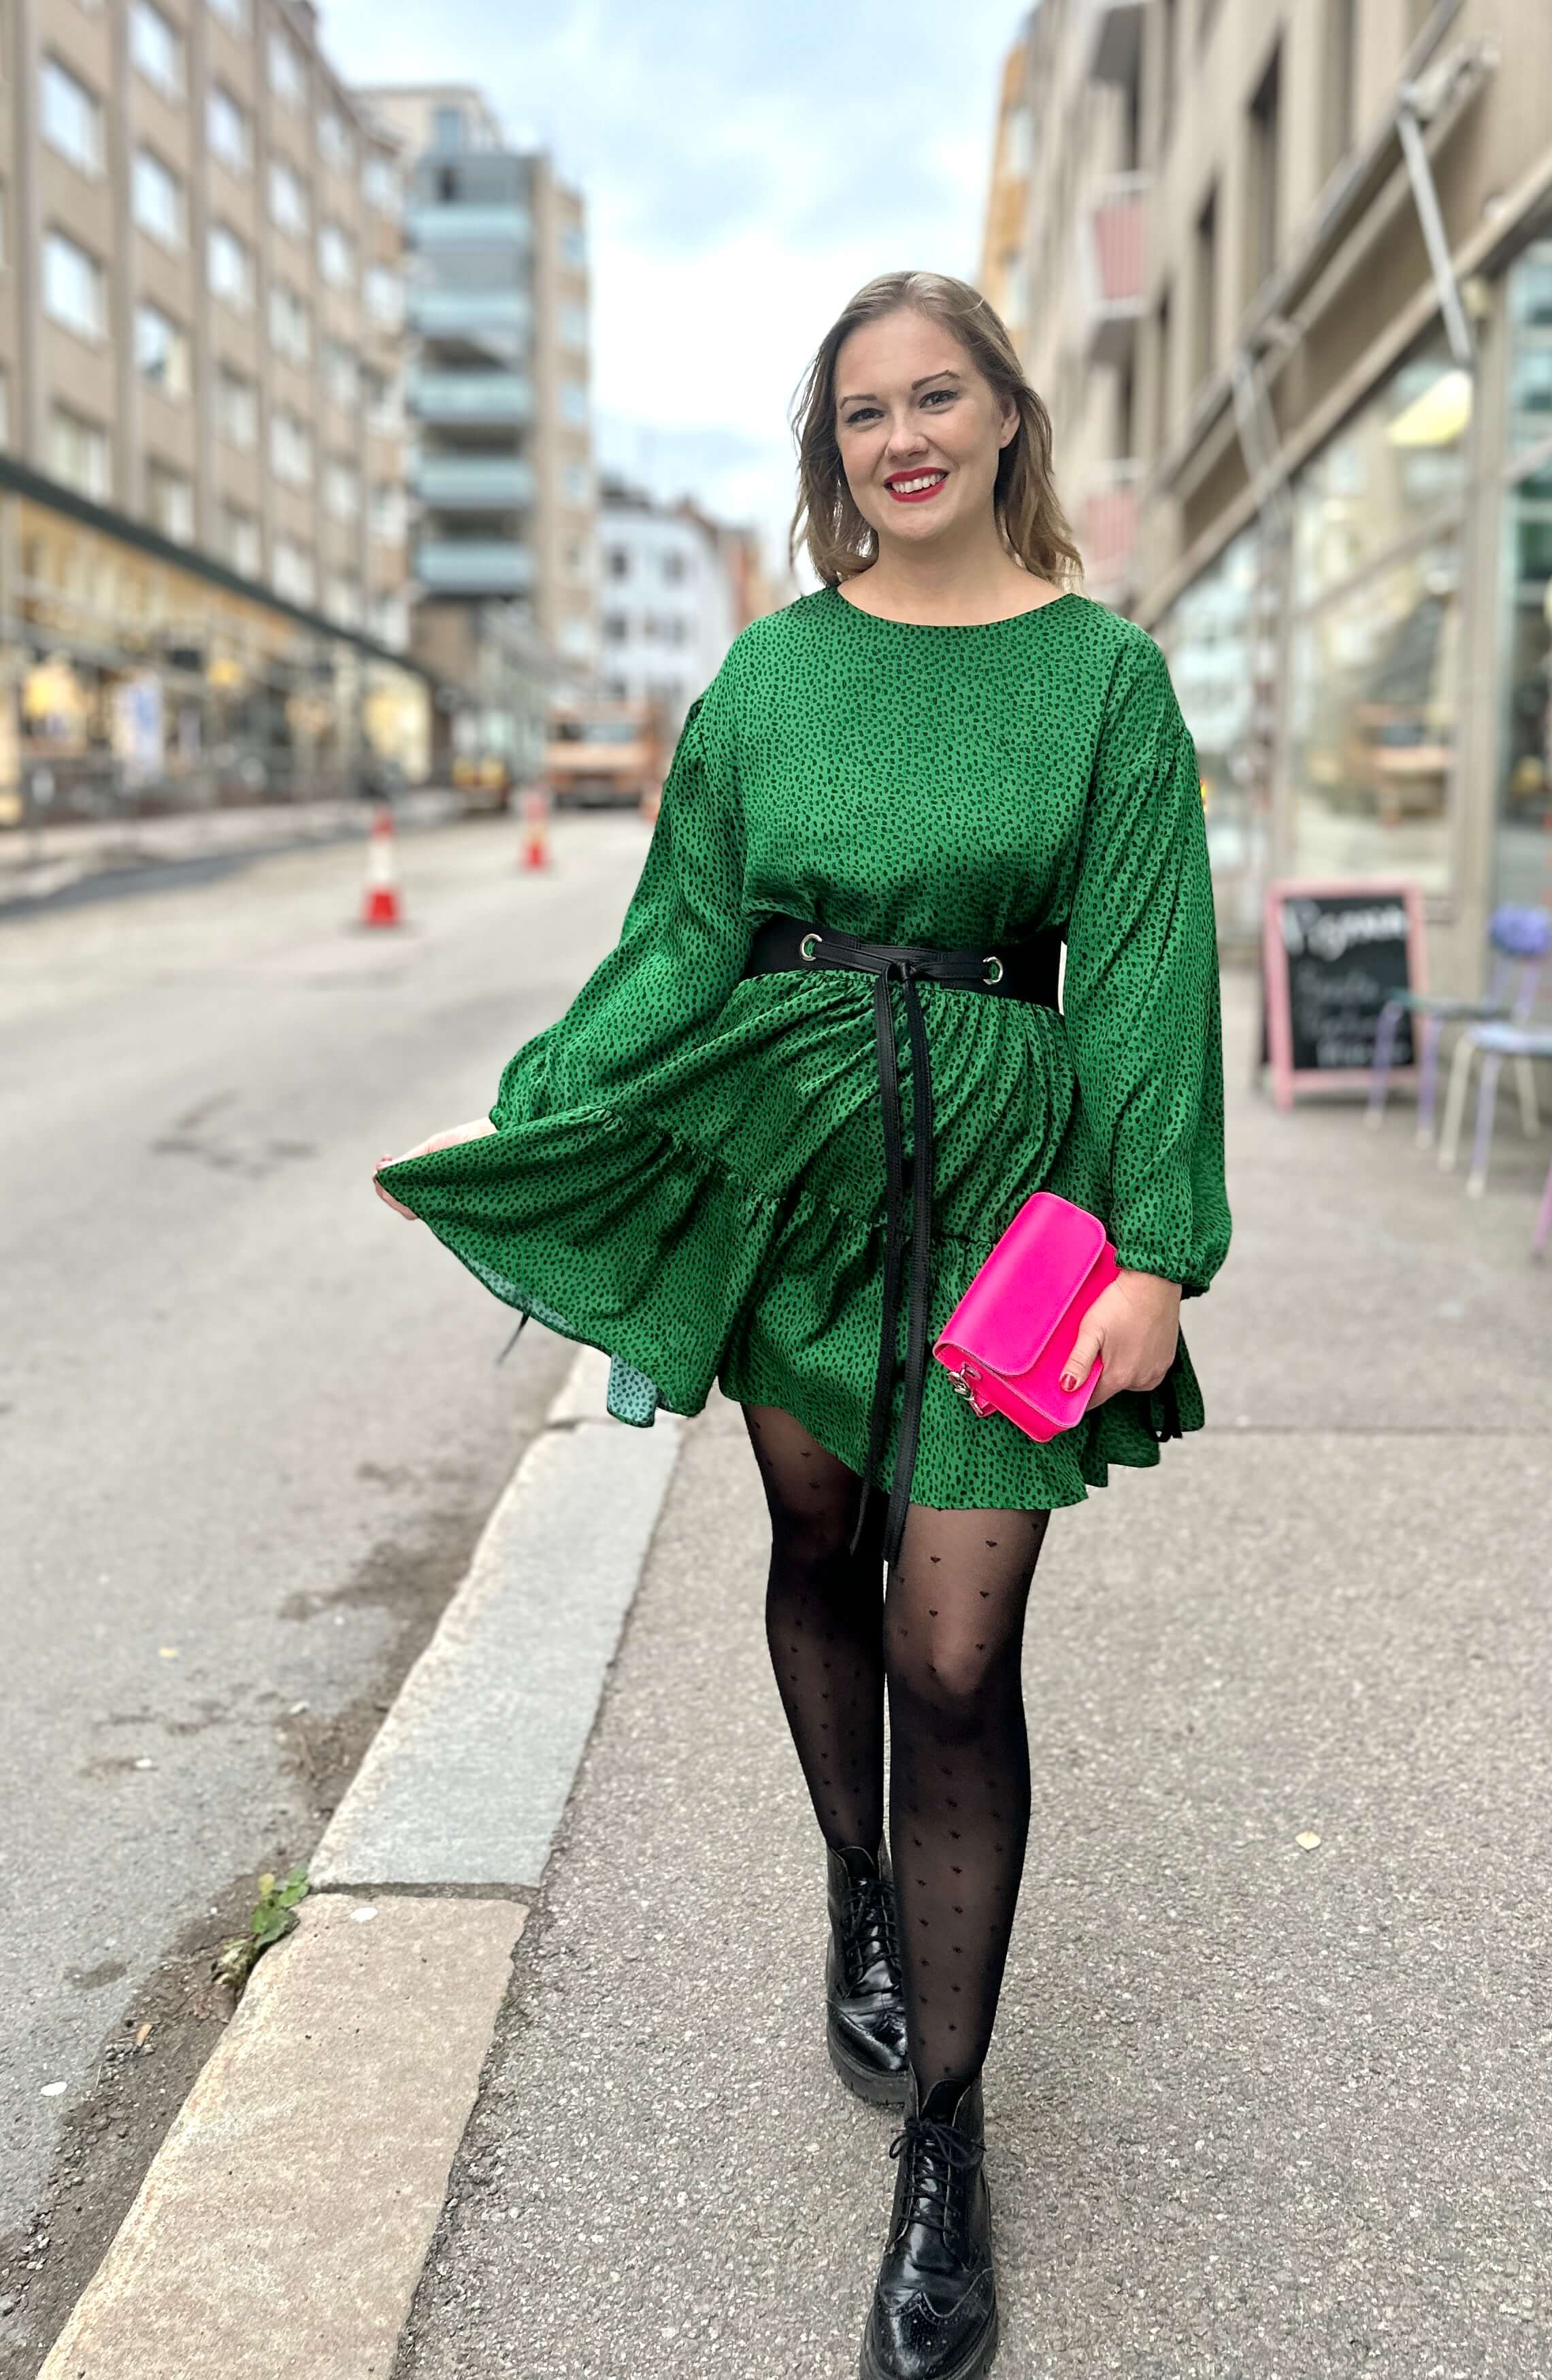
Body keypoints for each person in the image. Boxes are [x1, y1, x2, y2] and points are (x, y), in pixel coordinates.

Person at [372, 269, 1229, 2380]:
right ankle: (857, 1881)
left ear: (1007, 415)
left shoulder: (1106, 681)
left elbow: (1141, 966)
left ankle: (946, 2130)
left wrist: (1155, 1250)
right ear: (831, 449)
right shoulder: (766, 675)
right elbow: (684, 933)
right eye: (865, 411)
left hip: (1009, 1197)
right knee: (818, 1546)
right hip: (798, 1166)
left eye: (938, 396)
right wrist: (553, 1100)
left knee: (958, 1653)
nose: (903, 437)